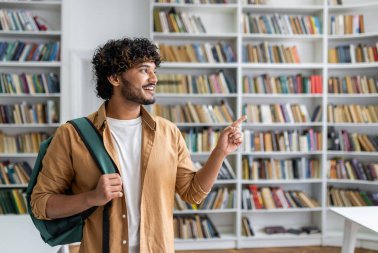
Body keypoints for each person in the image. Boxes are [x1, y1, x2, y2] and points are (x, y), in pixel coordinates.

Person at [31, 37, 246, 253]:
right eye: (144, 70)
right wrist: (91, 197)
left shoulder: (169, 132)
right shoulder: (71, 135)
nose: (154, 78)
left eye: (154, 71)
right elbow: (41, 204)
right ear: (115, 78)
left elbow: (193, 194)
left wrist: (220, 153)